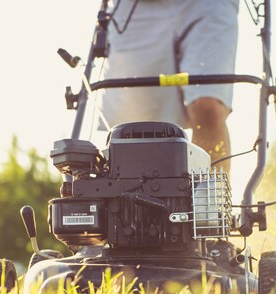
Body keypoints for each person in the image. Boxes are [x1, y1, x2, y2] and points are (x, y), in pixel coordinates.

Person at [101, 0, 240, 174]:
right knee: (135, 129)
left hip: (208, 5)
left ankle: (210, 198)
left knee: (208, 105)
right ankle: (139, 198)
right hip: (136, 8)